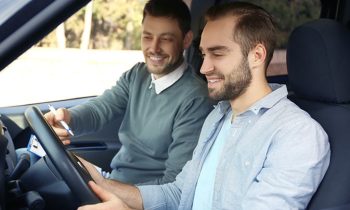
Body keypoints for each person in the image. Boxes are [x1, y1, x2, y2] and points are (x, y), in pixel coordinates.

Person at [78, 2, 331, 209]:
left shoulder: (297, 135)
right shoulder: (218, 118)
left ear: (257, 55)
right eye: (203, 54)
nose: (203, 68)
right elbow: (178, 194)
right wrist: (102, 182)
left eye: (218, 54)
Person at [45, 0, 213, 185]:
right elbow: (101, 109)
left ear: (186, 40)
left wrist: (110, 190)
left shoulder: (196, 99)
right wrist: (67, 117)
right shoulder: (137, 75)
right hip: (116, 183)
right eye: (147, 37)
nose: (154, 48)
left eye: (165, 39)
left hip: (141, 199)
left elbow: (174, 184)